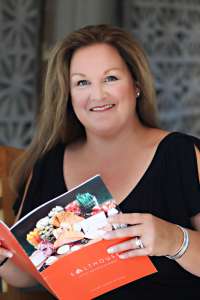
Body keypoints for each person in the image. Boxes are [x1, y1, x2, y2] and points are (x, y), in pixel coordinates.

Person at [0, 24, 200, 299]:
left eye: (111, 78)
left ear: (136, 84)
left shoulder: (182, 153)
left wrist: (177, 241)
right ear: (68, 97)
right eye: (82, 82)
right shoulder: (48, 164)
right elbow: (27, 274)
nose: (98, 95)